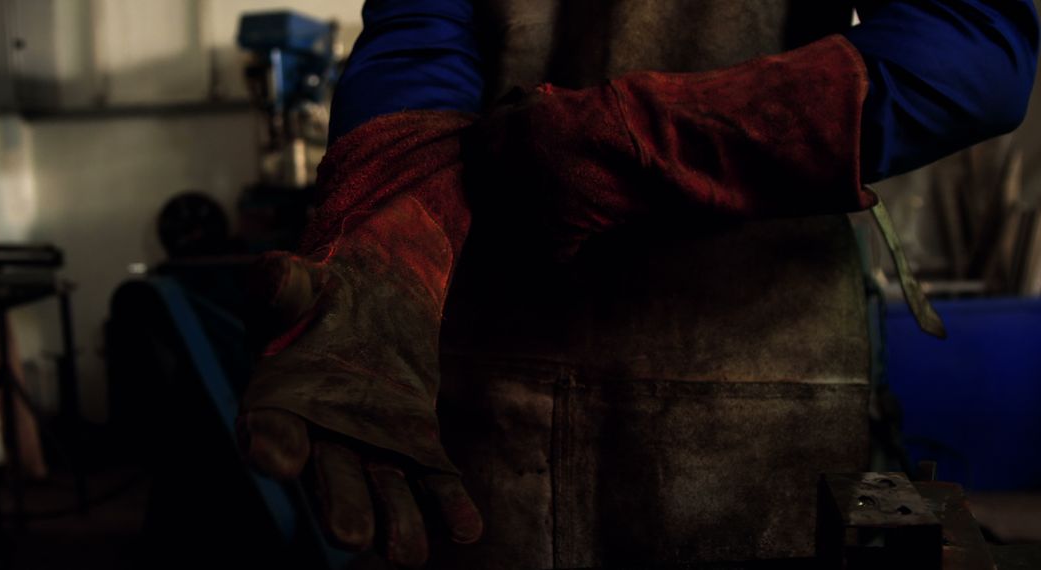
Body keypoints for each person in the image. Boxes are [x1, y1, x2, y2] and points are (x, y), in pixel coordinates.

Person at [236, 1, 1039, 567]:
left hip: (758, 393)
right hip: (484, 401)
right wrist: (385, 241)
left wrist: (639, 141)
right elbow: (421, 40)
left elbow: (969, 48)